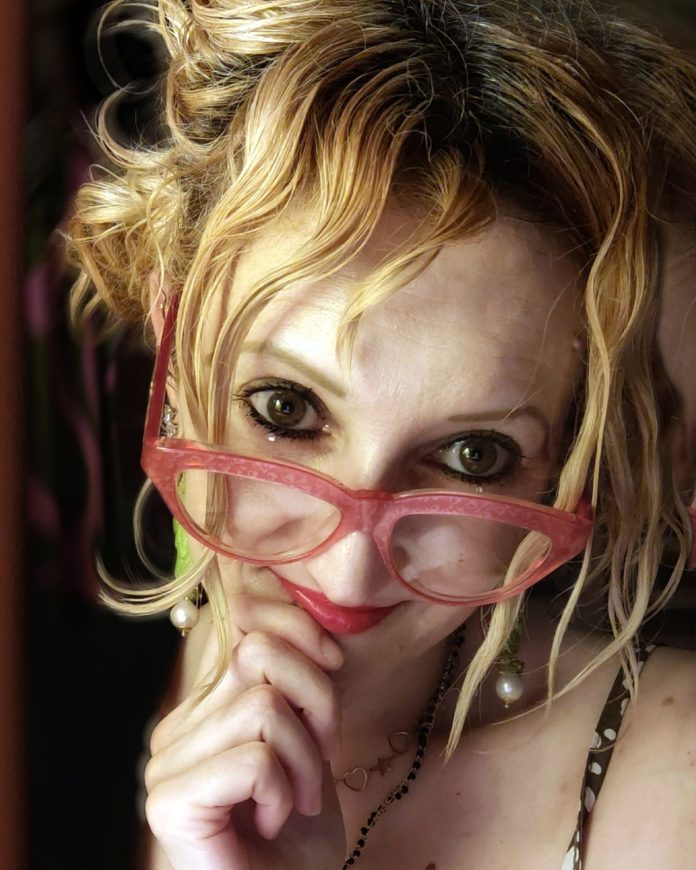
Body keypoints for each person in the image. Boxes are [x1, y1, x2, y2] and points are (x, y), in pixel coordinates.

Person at [65, 2, 696, 868]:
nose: (349, 565)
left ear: (559, 463)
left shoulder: (671, 786)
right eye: (286, 410)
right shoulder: (41, 711)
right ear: (176, 355)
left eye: (473, 457)